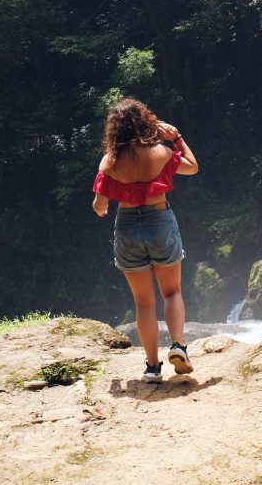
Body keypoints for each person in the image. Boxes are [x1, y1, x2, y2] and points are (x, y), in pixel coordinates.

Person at [92, 97, 199, 382]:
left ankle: (152, 367)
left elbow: (99, 206)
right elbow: (191, 167)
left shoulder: (109, 161)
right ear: (144, 121)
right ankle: (178, 346)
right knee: (172, 292)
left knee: (143, 302)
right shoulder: (161, 152)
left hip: (127, 227)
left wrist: (103, 210)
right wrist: (176, 138)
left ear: (114, 129)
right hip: (159, 220)